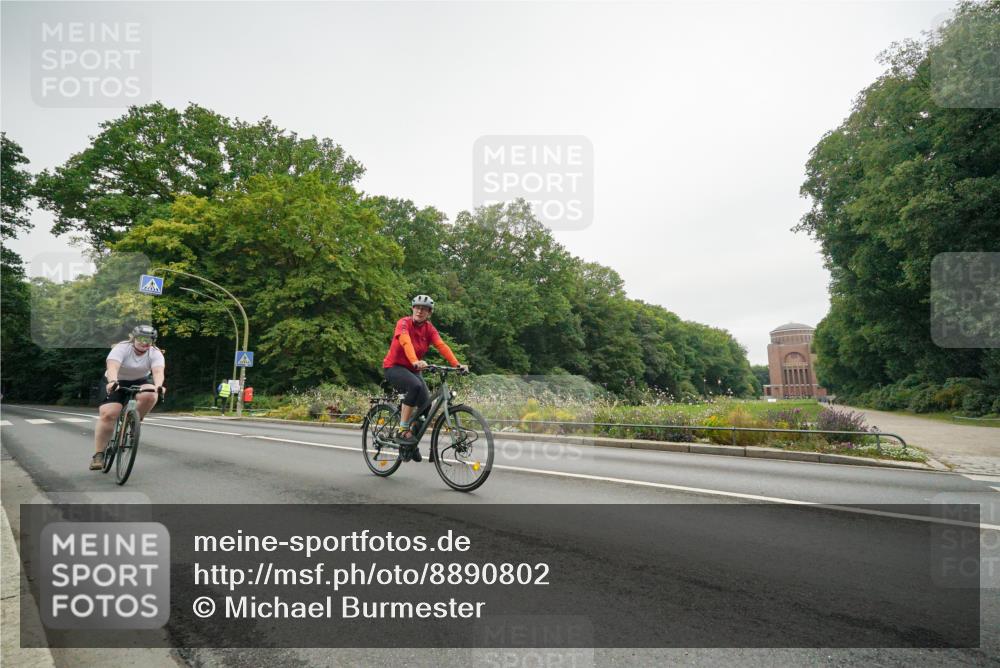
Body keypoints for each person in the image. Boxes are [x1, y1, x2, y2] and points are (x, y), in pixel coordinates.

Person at [382, 295, 467, 462]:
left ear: (429, 313)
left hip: (413, 369)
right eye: (417, 307)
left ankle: (409, 443)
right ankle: (402, 429)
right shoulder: (404, 323)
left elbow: (441, 345)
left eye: (424, 309)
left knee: (426, 406)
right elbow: (405, 341)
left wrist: (457, 364)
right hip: (394, 367)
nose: (420, 310)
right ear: (413, 309)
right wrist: (415, 361)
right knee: (415, 386)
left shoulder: (429, 329)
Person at [90, 325, 165, 470]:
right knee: (109, 414)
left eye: (149, 340)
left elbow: (157, 371)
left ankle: (133, 420)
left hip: (140, 380)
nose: (145, 343)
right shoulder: (122, 348)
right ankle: (98, 454)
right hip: (116, 380)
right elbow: (113, 367)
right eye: (142, 339)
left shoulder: (155, 353)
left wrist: (159, 385)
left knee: (151, 394)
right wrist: (112, 382)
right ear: (134, 338)